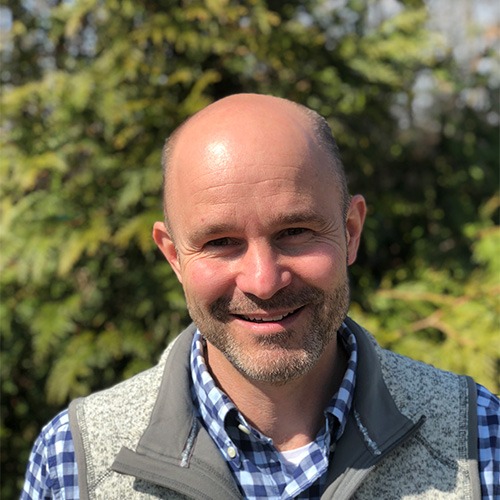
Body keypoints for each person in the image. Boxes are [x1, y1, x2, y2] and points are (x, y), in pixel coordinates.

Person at [22, 94, 498, 499]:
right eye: (220, 242)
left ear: (351, 233)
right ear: (174, 257)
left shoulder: (479, 438)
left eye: (295, 231)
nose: (263, 281)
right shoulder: (74, 462)